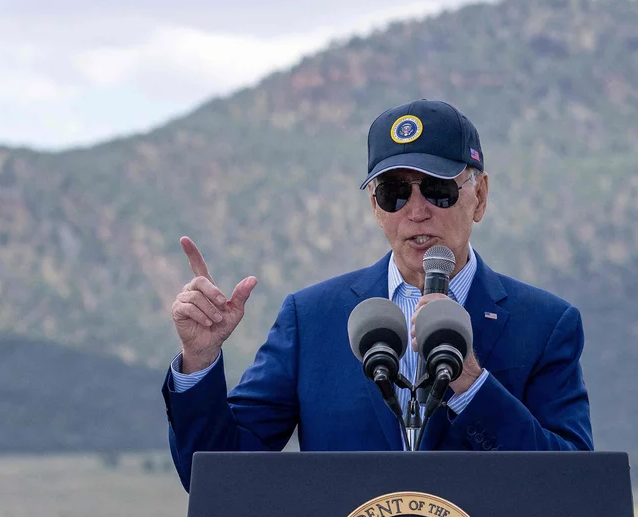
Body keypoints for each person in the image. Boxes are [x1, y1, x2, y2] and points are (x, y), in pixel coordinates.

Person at [162, 99, 592, 489]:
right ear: (374, 206)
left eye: (439, 191)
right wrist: (198, 361)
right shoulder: (313, 318)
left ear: (479, 198)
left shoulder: (545, 325)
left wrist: (473, 385)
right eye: (394, 193)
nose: (417, 210)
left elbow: (573, 484)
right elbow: (221, 474)